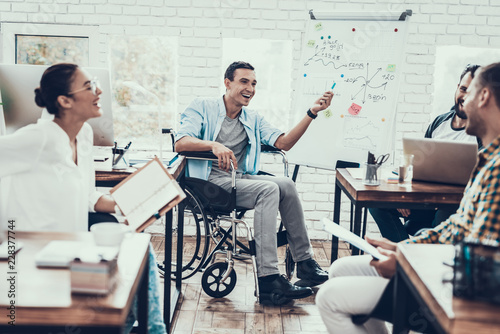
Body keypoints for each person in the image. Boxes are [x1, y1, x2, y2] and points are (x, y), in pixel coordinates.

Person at [316, 62, 500, 333]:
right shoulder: (487, 159)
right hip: (449, 265)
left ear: (483, 97)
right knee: (341, 268)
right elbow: (459, 227)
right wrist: (406, 248)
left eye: (469, 92)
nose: (464, 100)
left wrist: (407, 264)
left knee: (329, 297)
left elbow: (479, 258)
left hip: (462, 291)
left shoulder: (495, 169)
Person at [0, 63, 166, 334]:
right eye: (89, 86)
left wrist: (137, 200)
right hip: (30, 263)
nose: (99, 90)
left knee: (138, 252)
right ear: (64, 101)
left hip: (70, 255)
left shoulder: (84, 135)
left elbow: (90, 196)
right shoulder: (38, 138)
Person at [175, 61, 333, 303]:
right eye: (244, 81)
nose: (250, 88)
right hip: (206, 183)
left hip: (236, 179)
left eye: (254, 83)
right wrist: (214, 145)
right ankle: (268, 278)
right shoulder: (202, 106)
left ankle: (305, 264)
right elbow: (181, 143)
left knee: (286, 184)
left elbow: (284, 143)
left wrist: (311, 113)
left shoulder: (252, 117)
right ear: (227, 83)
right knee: (268, 189)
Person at [369, 64, 482, 242]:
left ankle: (413, 254)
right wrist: (403, 199)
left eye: (472, 92)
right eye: (463, 89)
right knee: (376, 204)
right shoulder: (440, 123)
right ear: (457, 88)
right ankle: (403, 252)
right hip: (426, 202)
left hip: (454, 206)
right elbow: (419, 166)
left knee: (445, 214)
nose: (465, 96)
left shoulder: (482, 132)